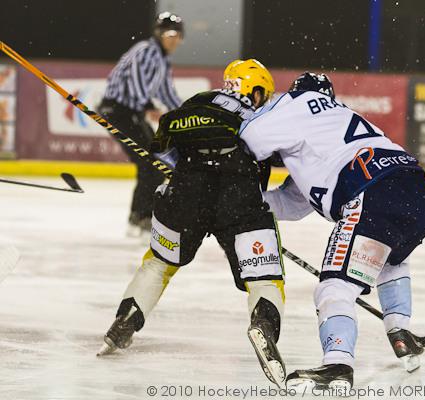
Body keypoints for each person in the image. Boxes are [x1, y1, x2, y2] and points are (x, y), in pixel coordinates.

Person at [97, 59, 288, 388]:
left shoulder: (197, 102)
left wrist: (189, 172)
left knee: (158, 263)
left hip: (185, 192)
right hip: (238, 198)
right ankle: (264, 325)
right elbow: (273, 155)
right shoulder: (259, 115)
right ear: (255, 91)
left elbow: (162, 148)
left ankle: (125, 320)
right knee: (264, 277)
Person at [240, 72, 425, 390]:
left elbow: (251, 139)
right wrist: (244, 206)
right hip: (417, 191)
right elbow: (293, 203)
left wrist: (222, 193)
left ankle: (338, 365)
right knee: (389, 256)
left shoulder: (298, 102)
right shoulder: (336, 122)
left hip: (372, 192)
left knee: (335, 288)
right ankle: (399, 329)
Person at [98, 12, 184, 236]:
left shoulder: (162, 60)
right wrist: (148, 106)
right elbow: (136, 80)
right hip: (118, 111)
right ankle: (142, 217)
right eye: (169, 34)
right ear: (159, 34)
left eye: (177, 35)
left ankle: (139, 216)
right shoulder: (146, 50)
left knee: (154, 162)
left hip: (131, 113)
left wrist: (187, 113)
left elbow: (167, 93)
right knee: (151, 162)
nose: (174, 40)